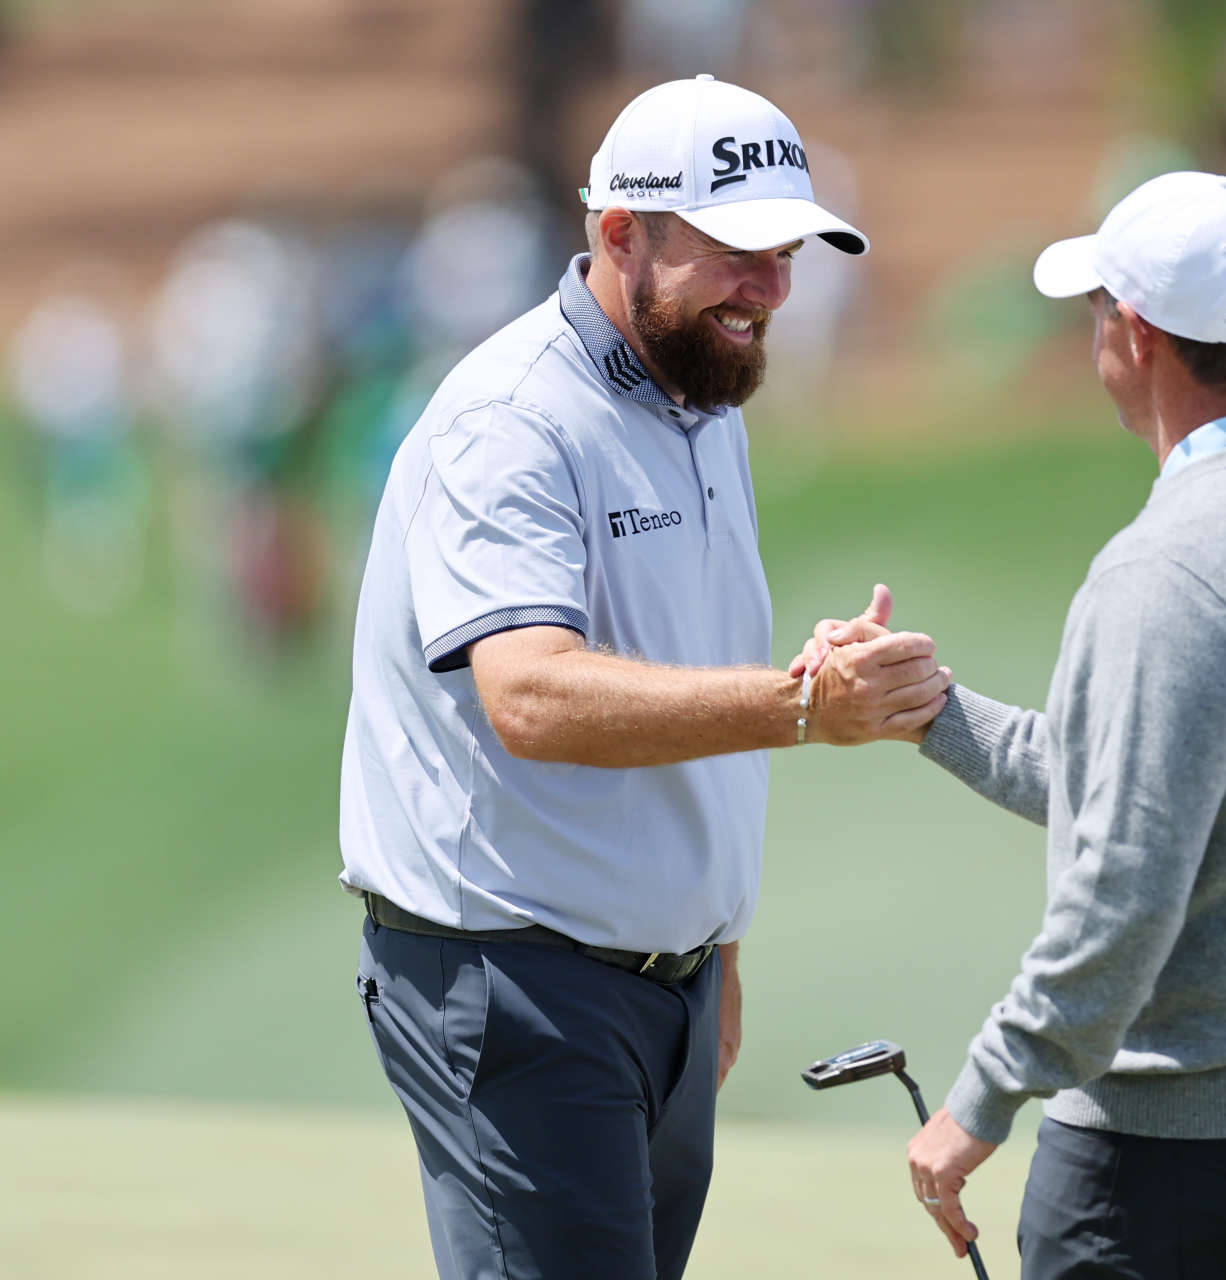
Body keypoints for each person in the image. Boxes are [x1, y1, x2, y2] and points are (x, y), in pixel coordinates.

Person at [339, 75, 950, 1280]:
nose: (772, 289)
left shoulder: (702, 398)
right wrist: (800, 706)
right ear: (622, 232)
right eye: (738, 252)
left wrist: (711, 944)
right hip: (514, 979)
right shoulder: (511, 420)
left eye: (787, 254)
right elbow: (530, 694)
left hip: (660, 992)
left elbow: (679, 661)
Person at [800, 172, 1226, 1279]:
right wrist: (928, 708)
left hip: (1168, 1167)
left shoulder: (1167, 569)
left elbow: (1121, 888)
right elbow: (1142, 784)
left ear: (1135, 332)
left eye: (1094, 313)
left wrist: (980, 1101)